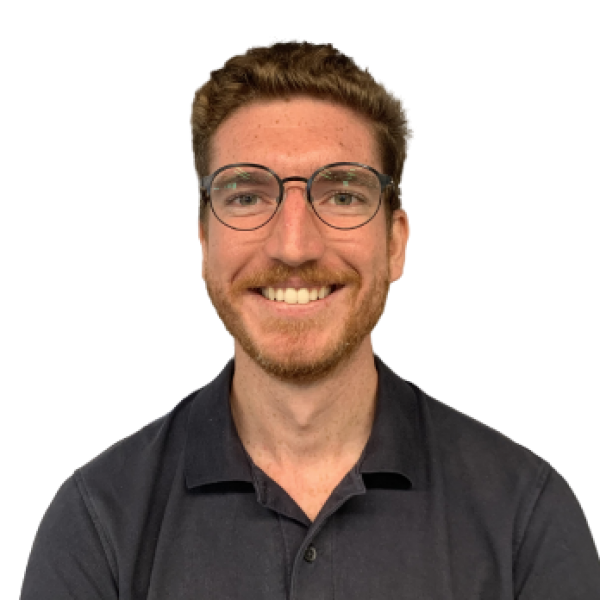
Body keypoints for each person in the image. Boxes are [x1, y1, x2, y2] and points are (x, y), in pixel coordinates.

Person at [21, 39, 599, 599]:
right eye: (247, 195)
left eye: (342, 194)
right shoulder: (96, 524)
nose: (293, 247)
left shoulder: (526, 518)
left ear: (397, 243)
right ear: (204, 242)